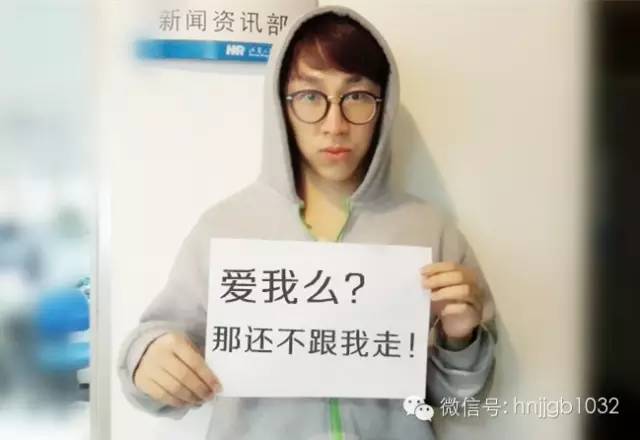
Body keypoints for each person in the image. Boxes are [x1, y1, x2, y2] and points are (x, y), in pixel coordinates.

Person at [118, 6, 496, 440]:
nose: (334, 126)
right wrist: (147, 357)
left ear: (384, 104)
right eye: (311, 96)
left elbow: (462, 399)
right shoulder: (225, 227)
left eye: (357, 96)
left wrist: (461, 340)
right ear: (281, 104)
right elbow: (156, 344)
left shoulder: (429, 231)